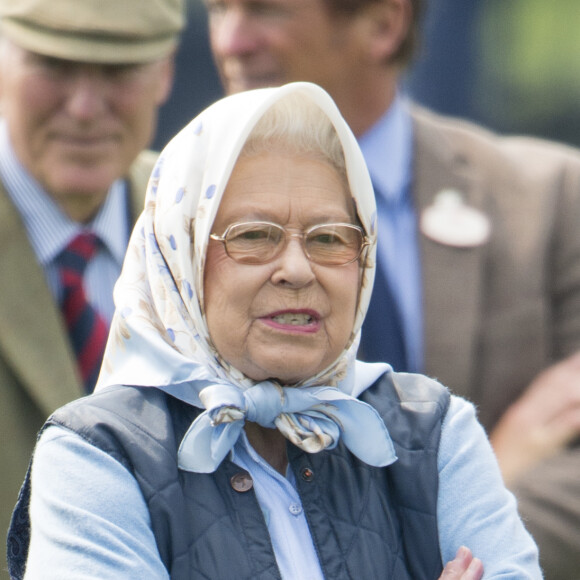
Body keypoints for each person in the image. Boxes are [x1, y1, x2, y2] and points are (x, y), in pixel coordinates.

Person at [7, 82, 541, 579]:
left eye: (330, 238)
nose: (297, 269)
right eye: (254, 235)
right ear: (182, 261)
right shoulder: (96, 454)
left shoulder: (435, 431)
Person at [203, 1, 580, 577]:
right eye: (218, 9)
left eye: (266, 10)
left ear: (382, 23)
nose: (231, 40)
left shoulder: (551, 201)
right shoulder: (178, 222)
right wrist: (483, 483)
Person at [0, 0, 184, 561]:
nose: (84, 108)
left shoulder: (206, 223)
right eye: (53, 65)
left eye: (117, 70)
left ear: (165, 72)